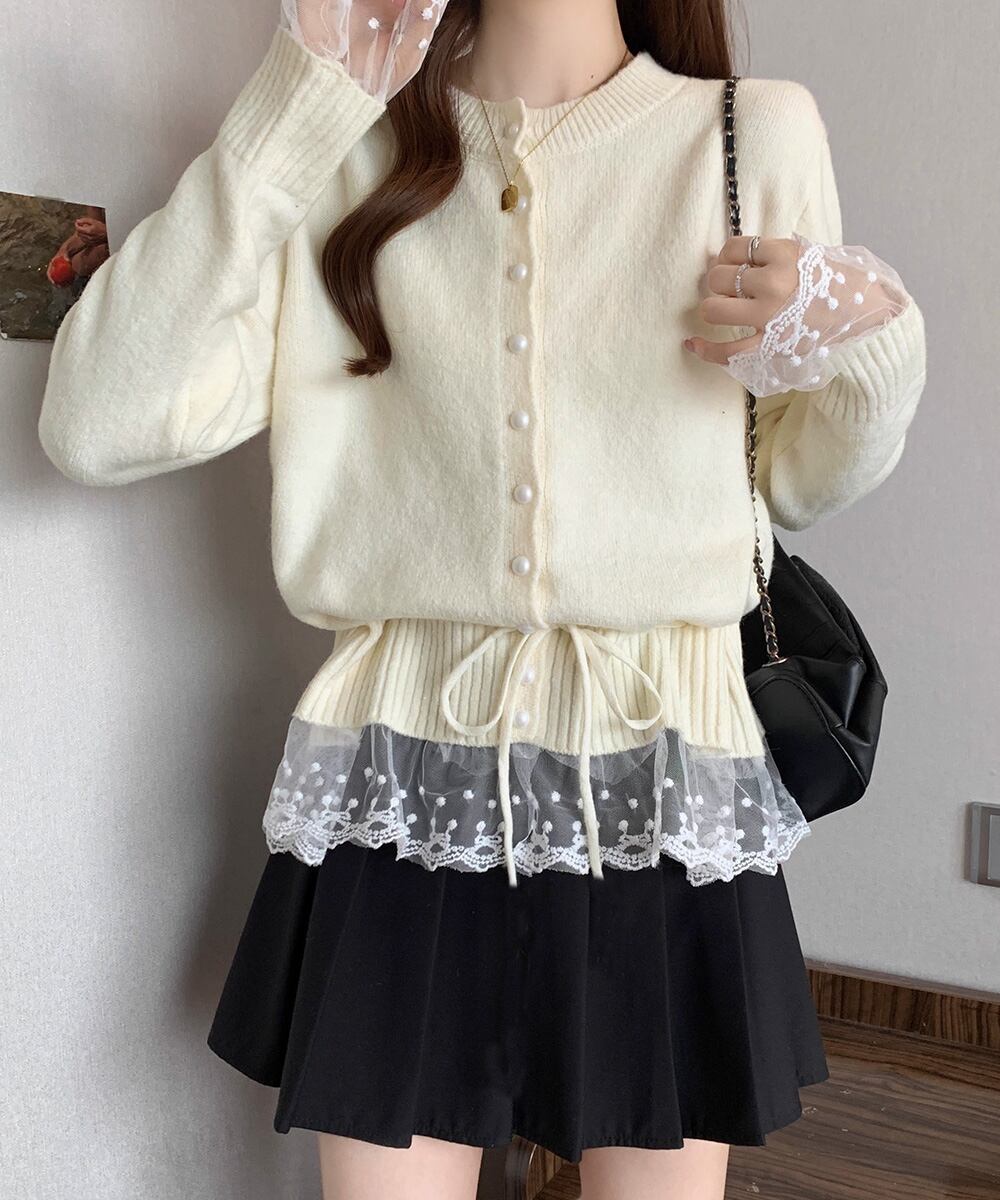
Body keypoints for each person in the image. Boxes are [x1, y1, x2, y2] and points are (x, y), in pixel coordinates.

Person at [36, 1, 927, 1197]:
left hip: (660, 781)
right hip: (403, 785)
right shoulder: (341, 143)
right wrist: (291, 112)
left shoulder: (746, 133)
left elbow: (799, 481)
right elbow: (98, 423)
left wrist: (873, 348)